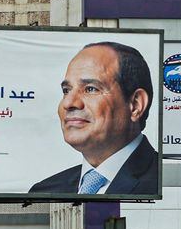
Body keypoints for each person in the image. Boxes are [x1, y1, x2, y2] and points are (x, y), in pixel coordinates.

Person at [29, 41, 159, 196]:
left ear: (135, 104)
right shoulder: (44, 192)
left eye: (90, 89)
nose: (69, 103)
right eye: (66, 90)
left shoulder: (169, 184)